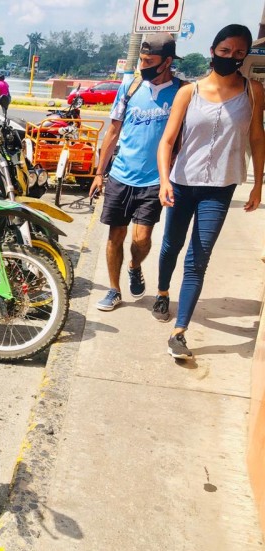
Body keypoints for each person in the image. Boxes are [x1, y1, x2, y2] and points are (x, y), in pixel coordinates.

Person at [153, 24, 264, 359]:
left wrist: (258, 183)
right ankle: (161, 291)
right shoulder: (190, 92)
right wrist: (164, 180)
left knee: (198, 258)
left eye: (239, 53)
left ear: (245, 57)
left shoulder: (254, 92)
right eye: (225, 51)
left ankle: (179, 331)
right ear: (213, 50)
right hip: (183, 182)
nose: (231, 57)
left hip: (220, 187)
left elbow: (257, 139)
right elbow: (168, 140)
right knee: (171, 244)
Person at [89, 33, 182, 312]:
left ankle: (134, 265)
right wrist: (99, 172)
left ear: (167, 62)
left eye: (149, 61)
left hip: (155, 180)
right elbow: (113, 131)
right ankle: (114, 289)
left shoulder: (181, 92)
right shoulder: (130, 86)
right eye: (141, 59)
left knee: (141, 239)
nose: (143, 65)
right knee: (115, 236)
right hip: (121, 175)